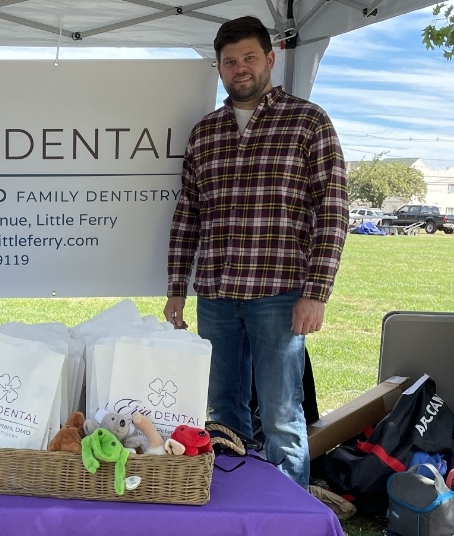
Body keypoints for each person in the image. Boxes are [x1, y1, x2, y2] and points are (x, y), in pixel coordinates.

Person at [163, 16, 348, 489]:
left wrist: (317, 293)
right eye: (229, 61)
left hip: (279, 296)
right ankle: (234, 500)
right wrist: (176, 290)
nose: (239, 68)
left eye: (249, 57)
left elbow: (332, 211)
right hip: (217, 298)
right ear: (219, 69)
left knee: (282, 415)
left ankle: (289, 513)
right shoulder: (205, 133)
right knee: (221, 409)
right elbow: (188, 216)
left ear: (270, 58)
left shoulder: (308, 122)